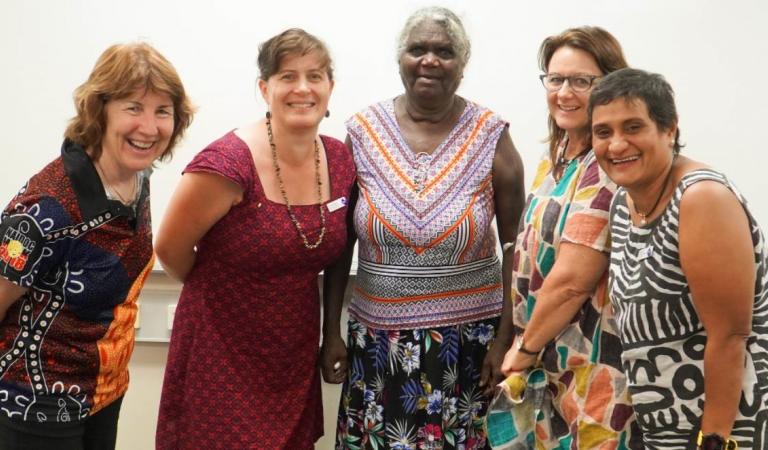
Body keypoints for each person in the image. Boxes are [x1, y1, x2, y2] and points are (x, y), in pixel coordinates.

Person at [320, 7, 525, 449]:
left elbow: (516, 247)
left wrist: (506, 339)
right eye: (418, 49)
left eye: (444, 51)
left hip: (469, 349)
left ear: (462, 64)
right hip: (378, 351)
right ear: (401, 60)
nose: (430, 60)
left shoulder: (492, 134)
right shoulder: (361, 132)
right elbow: (341, 242)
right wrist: (329, 332)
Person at [154, 28, 355, 449]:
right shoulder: (226, 165)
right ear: (265, 88)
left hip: (291, 354)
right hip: (220, 352)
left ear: (330, 88)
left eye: (315, 76)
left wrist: (330, 331)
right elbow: (170, 248)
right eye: (287, 76)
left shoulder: (340, 159)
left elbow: (340, 244)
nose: (303, 88)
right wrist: (221, 291)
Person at [0, 43, 193, 450]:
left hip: (101, 392)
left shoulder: (137, 177)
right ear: (99, 109)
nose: (150, 126)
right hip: (35, 407)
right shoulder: (46, 208)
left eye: (163, 110)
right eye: (133, 107)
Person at [590, 67, 768, 450]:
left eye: (633, 127)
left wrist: (715, 439)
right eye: (603, 132)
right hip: (665, 426)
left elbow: (730, 335)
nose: (616, 145)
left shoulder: (701, 198)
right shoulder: (624, 202)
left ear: (669, 128)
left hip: (724, 427)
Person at [499, 27, 642, 449]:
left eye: (582, 81)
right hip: (552, 363)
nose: (565, 92)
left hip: (593, 367)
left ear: (611, 86)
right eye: (556, 79)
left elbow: (571, 282)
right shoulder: (558, 156)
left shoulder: (606, 167)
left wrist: (522, 351)